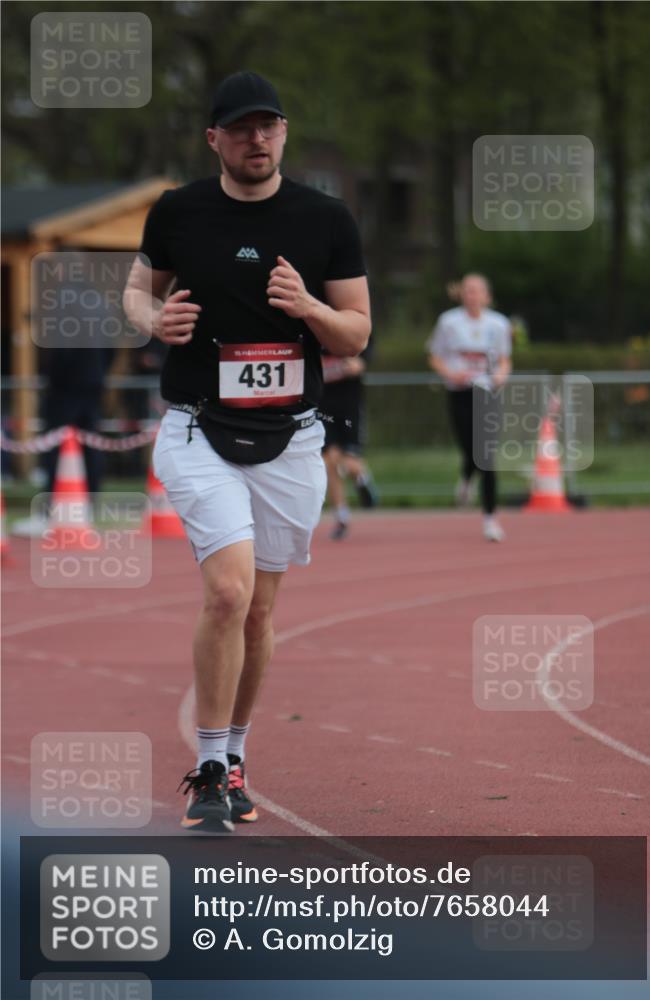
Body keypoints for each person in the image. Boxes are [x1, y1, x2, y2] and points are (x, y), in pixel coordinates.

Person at [123, 71, 370, 832]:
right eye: (239, 129)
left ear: (284, 133)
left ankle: (232, 753)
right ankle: (205, 768)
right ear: (214, 140)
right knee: (227, 593)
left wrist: (308, 309)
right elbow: (137, 289)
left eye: (267, 126)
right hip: (198, 428)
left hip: (291, 437)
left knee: (259, 613)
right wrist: (150, 319)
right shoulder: (179, 211)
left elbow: (357, 331)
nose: (255, 139)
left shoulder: (324, 217)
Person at [427, 273, 511, 542]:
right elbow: (434, 356)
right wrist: (450, 374)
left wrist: (501, 375)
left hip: (486, 392)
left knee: (485, 454)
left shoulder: (498, 324)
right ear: (461, 294)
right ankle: (465, 479)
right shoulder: (449, 322)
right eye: (468, 290)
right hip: (459, 393)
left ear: (487, 296)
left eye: (477, 291)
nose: (472, 295)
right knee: (468, 448)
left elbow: (505, 359)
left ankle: (490, 520)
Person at [320, 348, 377, 540]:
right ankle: (341, 517)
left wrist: (359, 363)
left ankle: (363, 480)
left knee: (350, 463)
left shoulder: (353, 318)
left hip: (349, 406)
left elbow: (366, 353)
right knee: (330, 461)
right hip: (322, 405)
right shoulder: (310, 322)